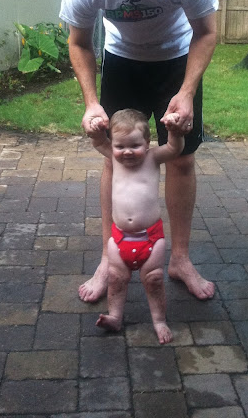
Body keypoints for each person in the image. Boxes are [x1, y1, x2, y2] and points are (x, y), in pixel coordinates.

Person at [60, 0, 218, 303]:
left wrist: (187, 92)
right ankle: (108, 258)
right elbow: (79, 43)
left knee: (181, 158)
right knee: (116, 160)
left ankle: (179, 259)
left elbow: (206, 32)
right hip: (123, 60)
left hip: (175, 58)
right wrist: (91, 103)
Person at [89, 108, 184, 343]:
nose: (127, 152)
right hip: (119, 238)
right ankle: (115, 316)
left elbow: (175, 149)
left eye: (135, 145)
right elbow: (98, 142)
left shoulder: (153, 158)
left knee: (154, 280)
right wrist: (95, 130)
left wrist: (174, 131)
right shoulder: (114, 157)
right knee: (116, 278)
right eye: (120, 146)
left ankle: (159, 321)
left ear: (147, 142)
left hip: (150, 238)